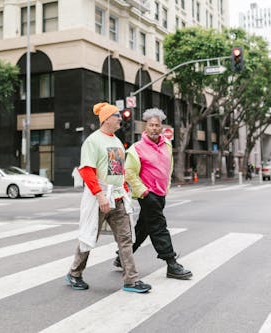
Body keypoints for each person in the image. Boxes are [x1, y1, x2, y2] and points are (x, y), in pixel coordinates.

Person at [65, 102, 151, 293]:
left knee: (126, 239)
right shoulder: (93, 141)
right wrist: (100, 195)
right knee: (89, 237)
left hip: (118, 197)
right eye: (116, 116)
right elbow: (87, 170)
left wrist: (126, 187)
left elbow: (119, 169)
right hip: (100, 198)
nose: (120, 118)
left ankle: (131, 280)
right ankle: (74, 273)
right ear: (106, 119)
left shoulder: (117, 141)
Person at [114, 108, 192, 280]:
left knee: (144, 227)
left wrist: (166, 186)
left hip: (161, 193)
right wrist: (144, 192)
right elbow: (129, 173)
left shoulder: (167, 144)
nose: (154, 128)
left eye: (157, 125)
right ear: (146, 127)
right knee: (158, 226)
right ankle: (171, 263)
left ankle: (122, 256)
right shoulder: (137, 149)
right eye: (151, 125)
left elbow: (168, 166)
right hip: (147, 195)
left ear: (161, 127)